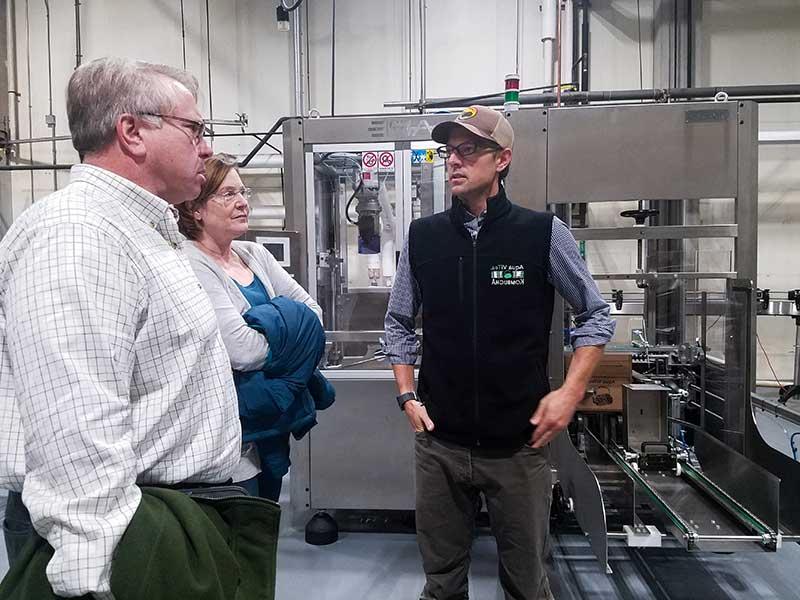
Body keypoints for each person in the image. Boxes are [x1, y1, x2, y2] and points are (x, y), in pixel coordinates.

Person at [0, 57, 243, 598]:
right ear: (132, 132)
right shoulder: (78, 235)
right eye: (194, 129)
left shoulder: (143, 230)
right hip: (126, 536)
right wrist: (98, 579)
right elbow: (75, 435)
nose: (206, 147)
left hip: (164, 514)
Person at [384, 105, 616, 600]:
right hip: (439, 445)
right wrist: (406, 395)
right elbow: (398, 321)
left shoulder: (541, 234)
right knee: (442, 583)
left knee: (526, 584)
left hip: (518, 448)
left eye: (469, 150)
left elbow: (596, 315)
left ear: (502, 159)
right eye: (449, 151)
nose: (453, 161)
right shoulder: (423, 237)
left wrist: (569, 395)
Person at [177, 154, 327, 502]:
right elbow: (242, 350)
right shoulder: (191, 263)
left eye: (243, 192)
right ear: (196, 208)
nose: (243, 202)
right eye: (228, 194)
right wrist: (293, 336)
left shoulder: (254, 255)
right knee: (238, 538)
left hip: (272, 429)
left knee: (265, 528)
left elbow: (314, 316)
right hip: (232, 439)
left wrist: (280, 328)